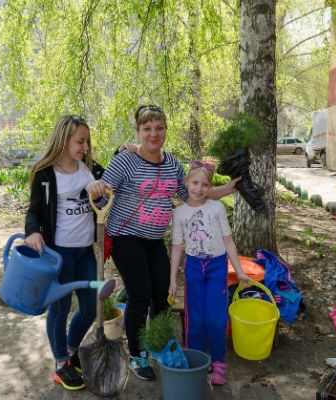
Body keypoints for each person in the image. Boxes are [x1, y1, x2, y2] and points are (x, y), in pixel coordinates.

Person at [86, 105, 239, 381]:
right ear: (138, 132)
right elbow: (102, 195)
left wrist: (224, 190)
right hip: (125, 237)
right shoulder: (125, 160)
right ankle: (136, 355)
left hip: (154, 240)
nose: (153, 134)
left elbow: (191, 194)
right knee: (141, 294)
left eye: (159, 128)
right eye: (147, 128)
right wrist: (96, 189)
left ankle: (155, 344)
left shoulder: (172, 164)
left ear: (166, 130)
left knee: (163, 296)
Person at [24, 114, 105, 391]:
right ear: (64, 139)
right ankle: (60, 364)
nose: (85, 146)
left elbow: (110, 184)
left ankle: (71, 352)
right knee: (59, 309)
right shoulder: (46, 173)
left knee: (90, 307)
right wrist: (32, 232)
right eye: (80, 141)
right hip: (60, 254)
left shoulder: (90, 168)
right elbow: (34, 211)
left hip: (85, 252)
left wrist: (123, 152)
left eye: (87, 141)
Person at [168, 161, 254, 386]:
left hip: (217, 266)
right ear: (186, 183)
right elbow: (177, 246)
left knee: (215, 317)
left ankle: (218, 362)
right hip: (193, 267)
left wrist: (240, 271)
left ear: (210, 187)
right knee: (194, 318)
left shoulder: (216, 208)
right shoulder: (179, 213)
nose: (198, 188)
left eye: (205, 184)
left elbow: (228, 241)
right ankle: (197, 361)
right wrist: (172, 281)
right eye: (194, 182)